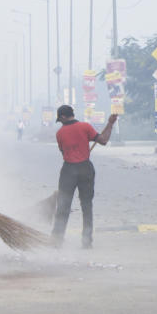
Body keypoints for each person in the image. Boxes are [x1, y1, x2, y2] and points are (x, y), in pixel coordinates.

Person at [51, 105, 117, 249]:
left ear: (63, 117)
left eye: (60, 120)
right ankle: (87, 242)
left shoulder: (60, 133)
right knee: (87, 206)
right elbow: (103, 140)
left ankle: (56, 241)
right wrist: (110, 124)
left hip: (68, 170)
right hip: (85, 168)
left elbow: (64, 152)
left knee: (63, 207)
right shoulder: (85, 127)